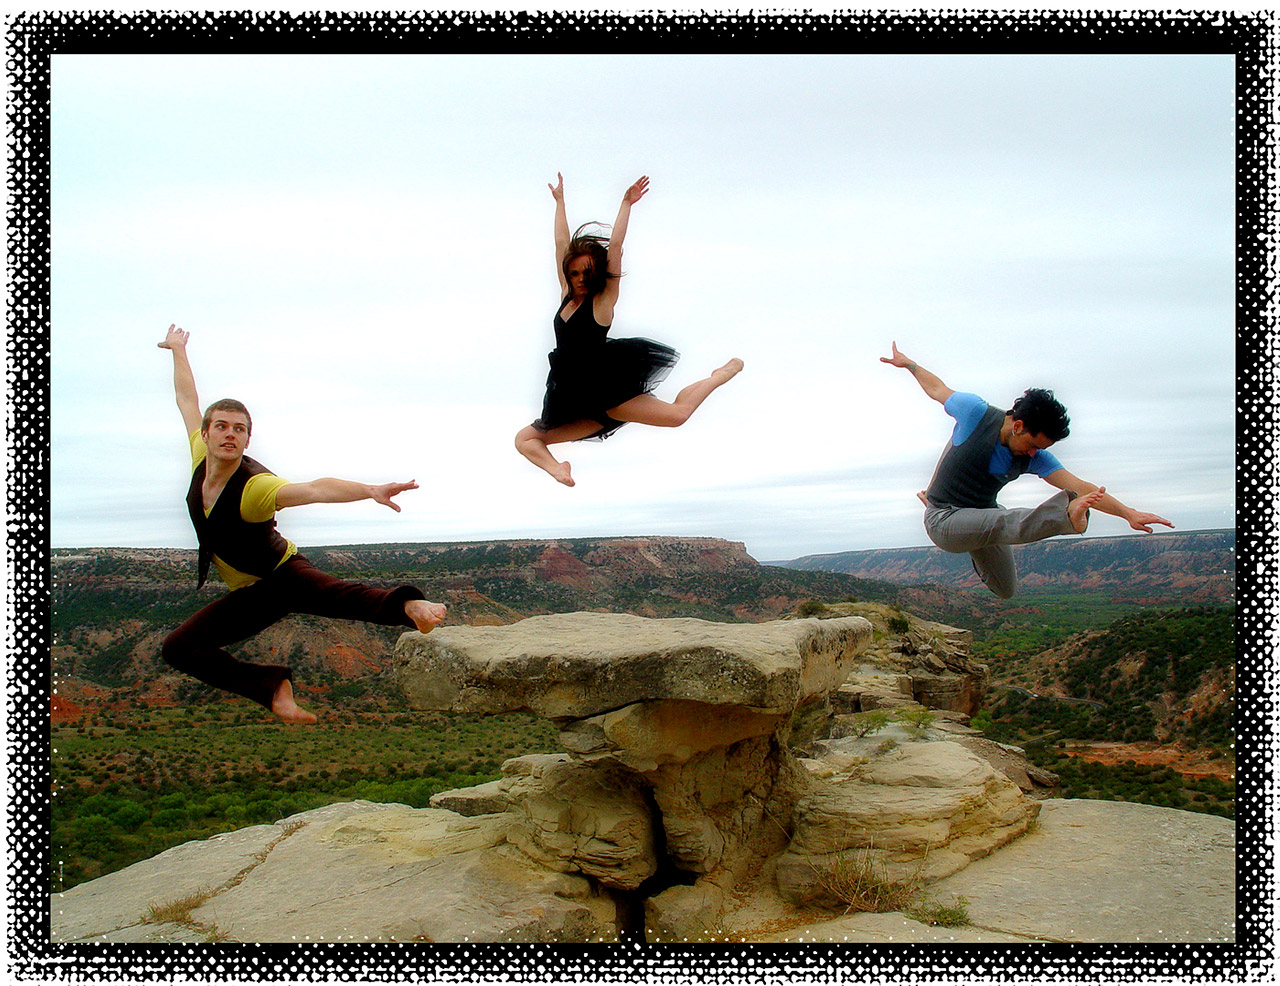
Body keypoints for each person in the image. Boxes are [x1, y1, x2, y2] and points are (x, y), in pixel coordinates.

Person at [157, 324, 447, 723]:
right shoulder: (197, 458)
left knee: (341, 595)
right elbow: (186, 398)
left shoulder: (255, 488)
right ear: (205, 434)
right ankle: (272, 687)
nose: (230, 434)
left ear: (247, 441)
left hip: (282, 574)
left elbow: (314, 489)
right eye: (221, 427)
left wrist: (369, 490)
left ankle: (412, 605)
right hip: (251, 592)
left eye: (239, 429)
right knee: (178, 648)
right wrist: (178, 350)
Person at [881, 341, 1173, 598]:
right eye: (1033, 444)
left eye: (1042, 449)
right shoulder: (975, 413)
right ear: (1017, 425)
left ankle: (972, 533)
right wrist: (910, 365)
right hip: (943, 518)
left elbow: (1082, 488)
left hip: (979, 516)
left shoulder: (1035, 456)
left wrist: (1129, 514)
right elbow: (937, 389)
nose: (1035, 453)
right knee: (1004, 520)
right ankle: (1066, 516)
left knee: (1005, 589)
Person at [514, 173, 744, 486]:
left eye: (587, 272)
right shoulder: (566, 296)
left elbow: (617, 247)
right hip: (574, 402)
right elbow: (559, 246)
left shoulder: (602, 302)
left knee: (677, 416)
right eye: (574, 272)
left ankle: (720, 376)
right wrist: (560, 202)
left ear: (597, 273)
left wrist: (626, 204)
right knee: (524, 440)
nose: (580, 278)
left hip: (609, 393)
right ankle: (558, 469)